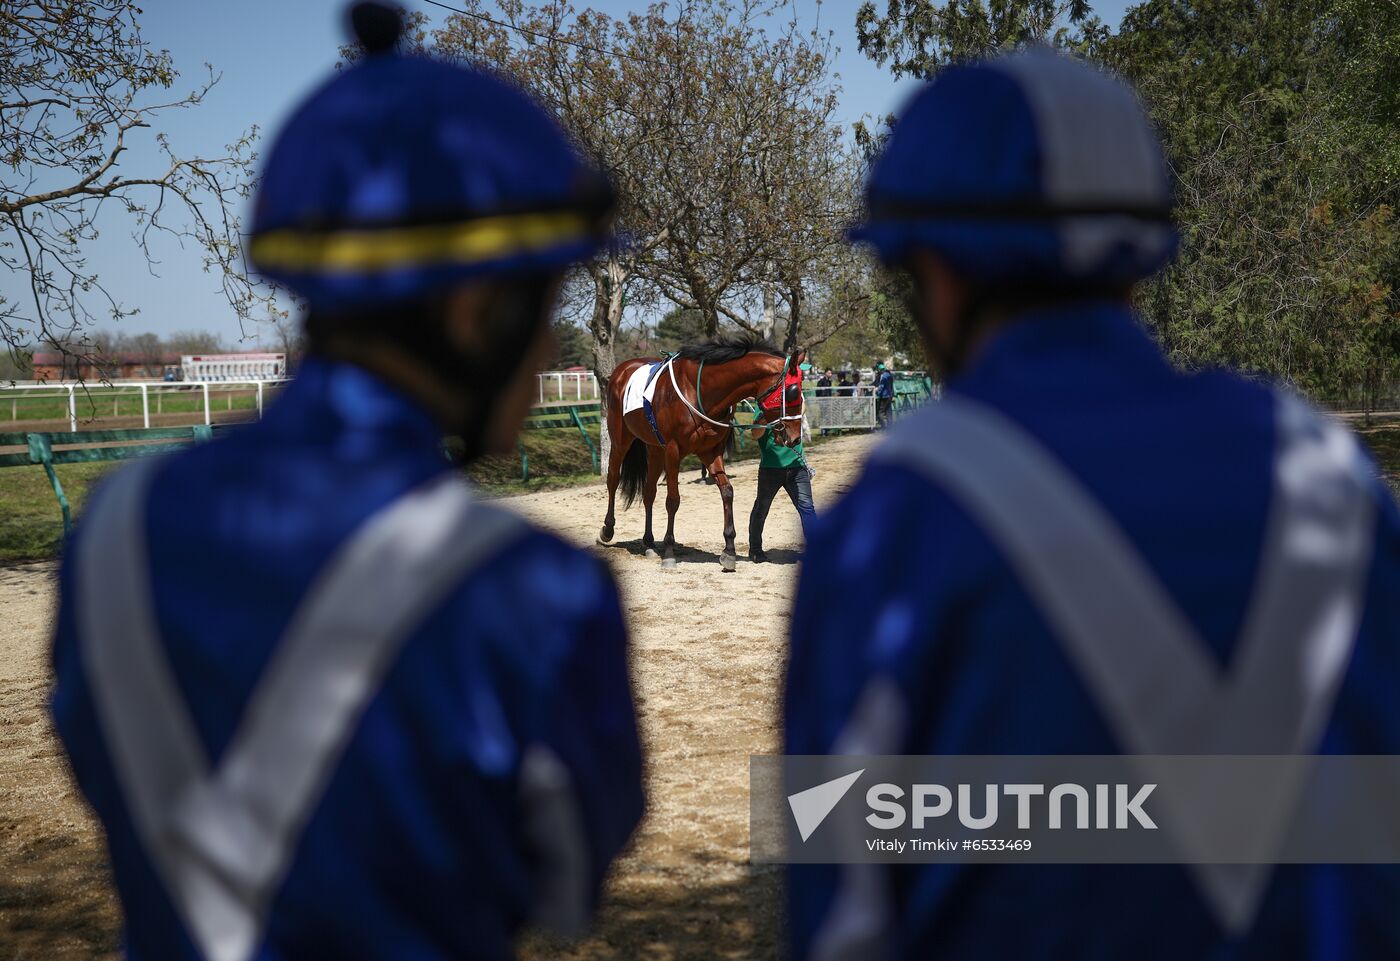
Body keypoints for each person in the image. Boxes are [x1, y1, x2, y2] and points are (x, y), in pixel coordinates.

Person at [50, 6, 643, 961]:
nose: (546, 349)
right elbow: (568, 877)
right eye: (544, 302)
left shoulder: (111, 529)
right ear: (471, 306)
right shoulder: (535, 593)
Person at [785, 48, 1400, 960]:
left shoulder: (899, 513)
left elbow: (843, 908)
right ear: (1140, 255)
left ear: (937, 272)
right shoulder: (1327, 470)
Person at [748, 367, 816, 563]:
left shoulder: (792, 403)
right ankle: (755, 549)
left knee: (807, 508)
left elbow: (802, 406)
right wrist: (765, 419)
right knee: (762, 508)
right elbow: (755, 435)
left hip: (796, 466)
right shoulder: (763, 407)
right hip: (771, 468)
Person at [873, 360, 895, 428]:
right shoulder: (889, 375)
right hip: (890, 396)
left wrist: (876, 392)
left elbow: (881, 387)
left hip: (884, 396)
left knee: (880, 413)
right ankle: (890, 427)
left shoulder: (883, 377)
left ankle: (884, 426)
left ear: (880, 370)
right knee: (888, 412)